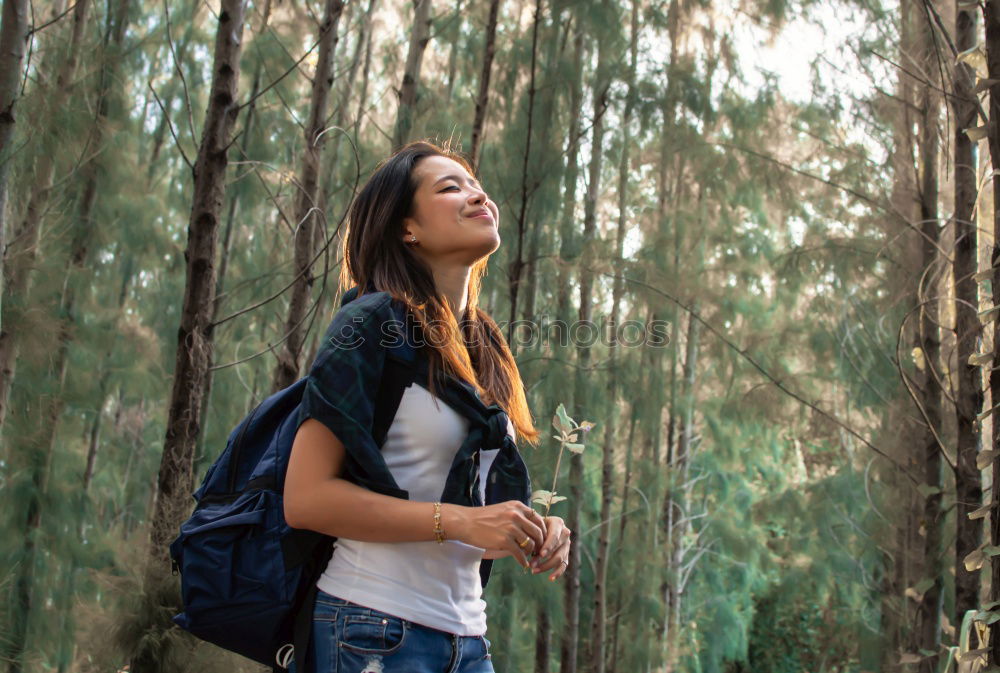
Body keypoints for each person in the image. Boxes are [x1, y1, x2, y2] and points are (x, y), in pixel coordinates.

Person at [283, 140, 572, 673]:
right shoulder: (368, 324)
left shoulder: (485, 349)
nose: (476, 194)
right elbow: (305, 499)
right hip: (372, 626)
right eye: (450, 187)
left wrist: (525, 533)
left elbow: (462, 526)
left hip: (467, 639)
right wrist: (461, 521)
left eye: (475, 185)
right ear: (406, 228)